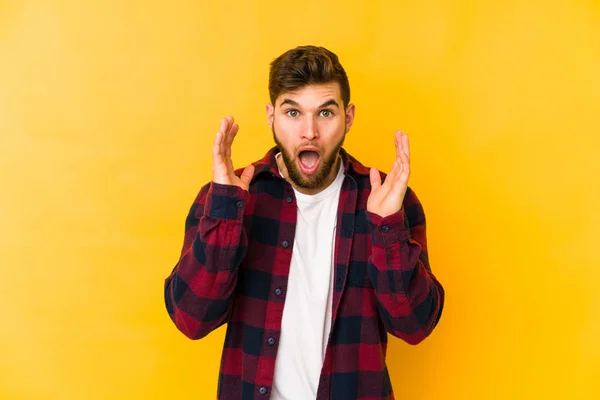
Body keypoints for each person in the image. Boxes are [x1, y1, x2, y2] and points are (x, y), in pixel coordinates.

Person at [164, 45, 445, 400]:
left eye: (325, 112)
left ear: (349, 117)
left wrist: (386, 228)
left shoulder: (389, 200)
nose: (309, 131)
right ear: (271, 117)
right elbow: (192, 319)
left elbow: (415, 326)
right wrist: (225, 210)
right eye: (293, 112)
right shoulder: (229, 198)